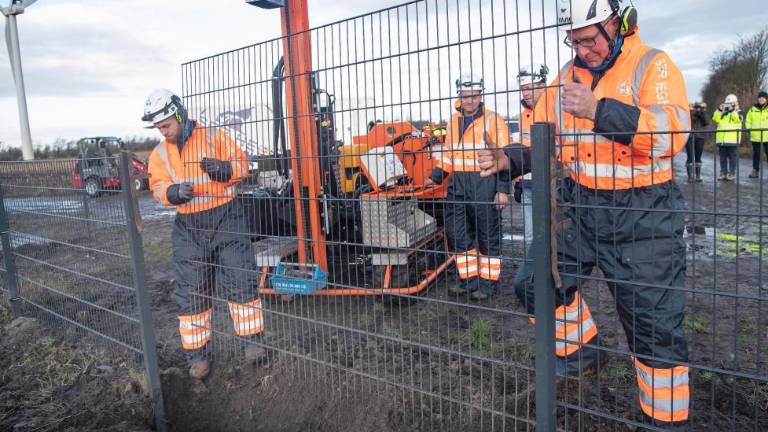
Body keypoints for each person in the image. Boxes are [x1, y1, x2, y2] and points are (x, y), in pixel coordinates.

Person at [477, 0, 691, 428]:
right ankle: (581, 352)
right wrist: (511, 159)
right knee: (536, 284)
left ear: (617, 24)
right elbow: (543, 135)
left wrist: (598, 111)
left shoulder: (654, 66)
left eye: (589, 40)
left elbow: (674, 134)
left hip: (643, 215)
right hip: (581, 207)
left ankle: (665, 421)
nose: (582, 50)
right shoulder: (566, 78)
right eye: (573, 41)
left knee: (653, 333)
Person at [143, 89, 266, 380]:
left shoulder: (214, 136)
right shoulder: (159, 153)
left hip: (226, 217)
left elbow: (242, 165)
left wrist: (226, 170)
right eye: (158, 128)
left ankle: (253, 344)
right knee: (191, 291)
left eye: (166, 125)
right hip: (189, 227)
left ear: (179, 114)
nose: (163, 132)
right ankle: (197, 358)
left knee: (240, 278)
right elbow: (157, 187)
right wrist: (172, 193)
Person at [427, 73, 511, 301]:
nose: (470, 101)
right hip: (458, 184)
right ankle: (469, 280)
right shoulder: (453, 122)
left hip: (484, 182)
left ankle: (487, 285)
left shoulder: (494, 120)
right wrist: (435, 178)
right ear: (459, 97)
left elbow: (505, 156)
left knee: (487, 235)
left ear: (480, 95)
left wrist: (502, 189)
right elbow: (447, 154)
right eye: (465, 96)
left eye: (474, 96)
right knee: (456, 233)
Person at [511, 64, 549, 304]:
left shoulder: (555, 108)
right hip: (527, 186)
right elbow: (519, 152)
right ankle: (535, 282)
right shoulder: (521, 116)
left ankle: (551, 281)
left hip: (551, 186)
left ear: (543, 85)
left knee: (552, 236)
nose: (525, 94)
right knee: (530, 237)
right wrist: (516, 181)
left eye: (530, 88)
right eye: (523, 89)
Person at [712, 94, 743, 181]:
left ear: (735, 103)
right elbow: (715, 118)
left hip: (733, 139)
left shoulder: (739, 112)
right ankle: (723, 173)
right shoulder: (723, 112)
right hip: (721, 139)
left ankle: (732, 173)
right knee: (722, 158)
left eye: (731, 103)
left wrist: (732, 111)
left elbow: (738, 120)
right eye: (728, 103)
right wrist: (719, 110)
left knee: (732, 158)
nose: (729, 105)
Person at [746, 91, 768, 178]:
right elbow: (748, 121)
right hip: (755, 136)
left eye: (763, 98)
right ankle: (755, 170)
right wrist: (749, 130)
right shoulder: (752, 109)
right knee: (756, 154)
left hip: (767, 137)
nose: (761, 99)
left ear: (766, 99)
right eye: (760, 98)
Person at [686, 101, 708, 182]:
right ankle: (690, 176)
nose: (694, 107)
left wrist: (701, 111)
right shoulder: (687, 113)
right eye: (691, 105)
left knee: (698, 157)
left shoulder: (700, 112)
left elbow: (706, 123)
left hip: (700, 137)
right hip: (689, 137)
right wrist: (690, 111)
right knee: (690, 156)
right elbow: (689, 121)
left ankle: (698, 176)